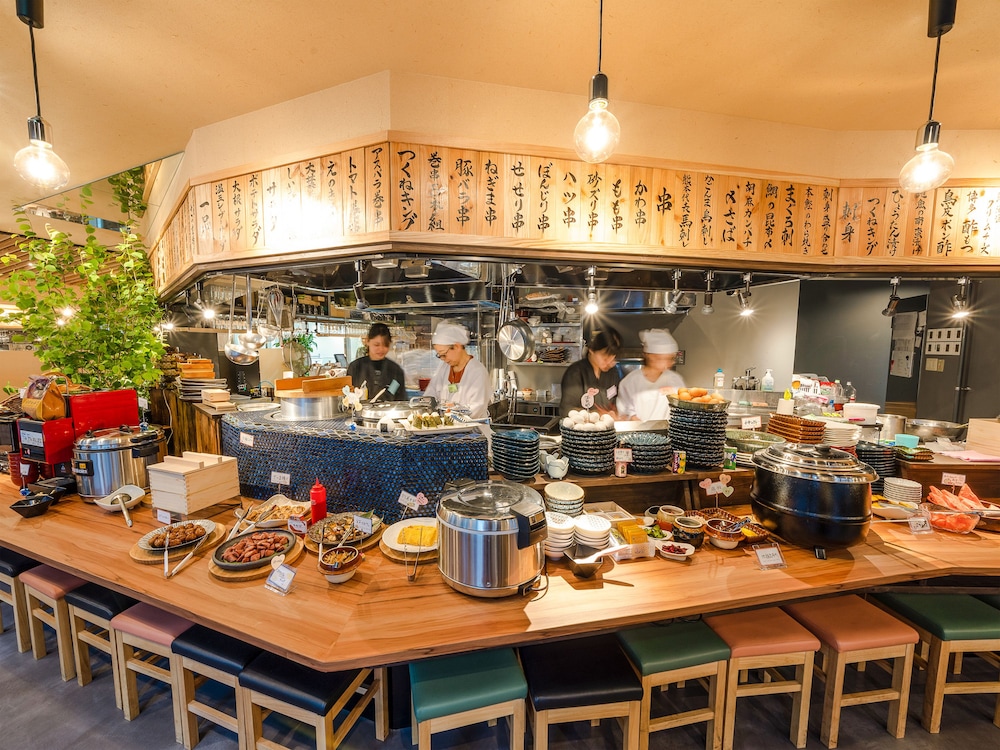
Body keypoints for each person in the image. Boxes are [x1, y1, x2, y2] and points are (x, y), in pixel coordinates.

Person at [425, 322, 491, 419]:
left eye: (444, 354)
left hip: (472, 427)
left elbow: (477, 408)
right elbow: (430, 394)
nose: (442, 359)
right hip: (446, 426)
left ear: (457, 346)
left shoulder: (477, 371)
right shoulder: (444, 368)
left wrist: (454, 413)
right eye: (439, 355)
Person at [616, 329, 685, 421]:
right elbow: (625, 413)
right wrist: (640, 425)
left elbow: (682, 409)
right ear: (650, 356)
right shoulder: (630, 382)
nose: (670, 362)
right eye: (665, 358)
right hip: (639, 429)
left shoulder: (675, 380)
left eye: (671, 358)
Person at [559, 327, 623, 417]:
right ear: (592, 350)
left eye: (612, 358)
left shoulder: (613, 372)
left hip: (607, 425)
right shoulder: (576, 373)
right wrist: (597, 415)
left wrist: (615, 413)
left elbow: (615, 401)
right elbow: (567, 409)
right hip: (581, 425)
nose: (609, 362)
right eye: (605, 357)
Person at [347, 322, 408, 401]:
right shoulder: (355, 367)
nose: (381, 349)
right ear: (367, 341)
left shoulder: (395, 370)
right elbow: (347, 397)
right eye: (376, 345)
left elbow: (399, 398)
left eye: (385, 345)